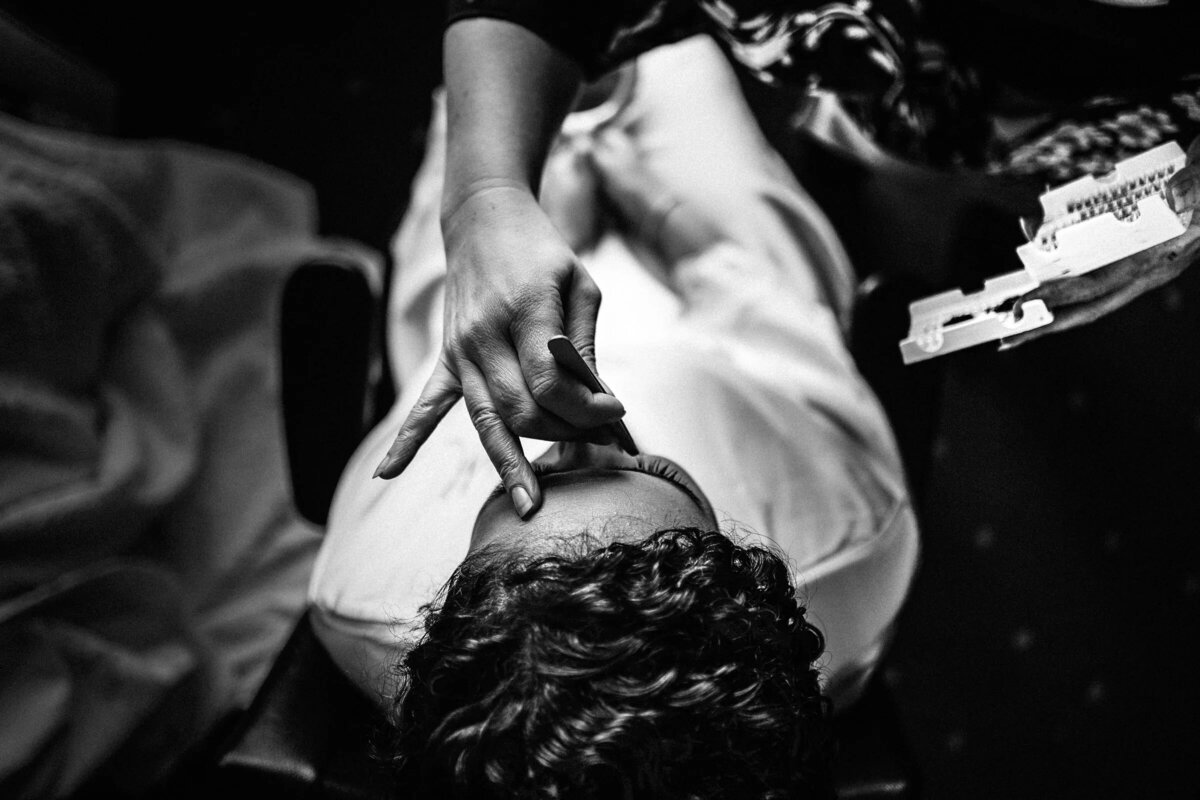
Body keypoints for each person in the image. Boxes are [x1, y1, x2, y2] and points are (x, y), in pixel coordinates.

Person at [307, 34, 918, 799]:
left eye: (528, 479)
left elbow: (415, 388)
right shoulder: (851, 546)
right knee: (672, 47)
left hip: (467, 328)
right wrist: (667, 215)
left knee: (486, 82)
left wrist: (488, 208)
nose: (577, 427)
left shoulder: (361, 596)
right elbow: (790, 340)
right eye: (643, 461)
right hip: (713, 299)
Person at [373, 0, 1200, 518]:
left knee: (906, 141)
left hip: (1071, 109)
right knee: (849, 127)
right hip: (864, 65)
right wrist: (481, 192)